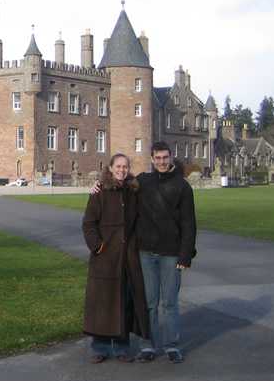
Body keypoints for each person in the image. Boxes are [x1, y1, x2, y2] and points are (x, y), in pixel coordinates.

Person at [81, 153, 150, 363]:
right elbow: (88, 224)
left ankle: (121, 347)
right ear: (110, 168)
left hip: (127, 256)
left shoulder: (133, 190)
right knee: (102, 302)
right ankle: (100, 347)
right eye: (118, 166)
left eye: (125, 166)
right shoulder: (100, 191)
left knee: (124, 302)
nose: (122, 170)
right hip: (105, 257)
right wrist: (98, 246)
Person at [134, 141, 197, 364]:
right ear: (152, 159)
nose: (161, 162)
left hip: (171, 253)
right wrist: (99, 185)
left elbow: (189, 223)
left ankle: (171, 345)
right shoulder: (143, 181)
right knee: (150, 302)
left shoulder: (182, 186)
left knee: (169, 302)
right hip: (146, 252)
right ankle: (148, 346)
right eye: (157, 158)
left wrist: (185, 255)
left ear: (170, 158)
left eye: (165, 157)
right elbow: (118, 186)